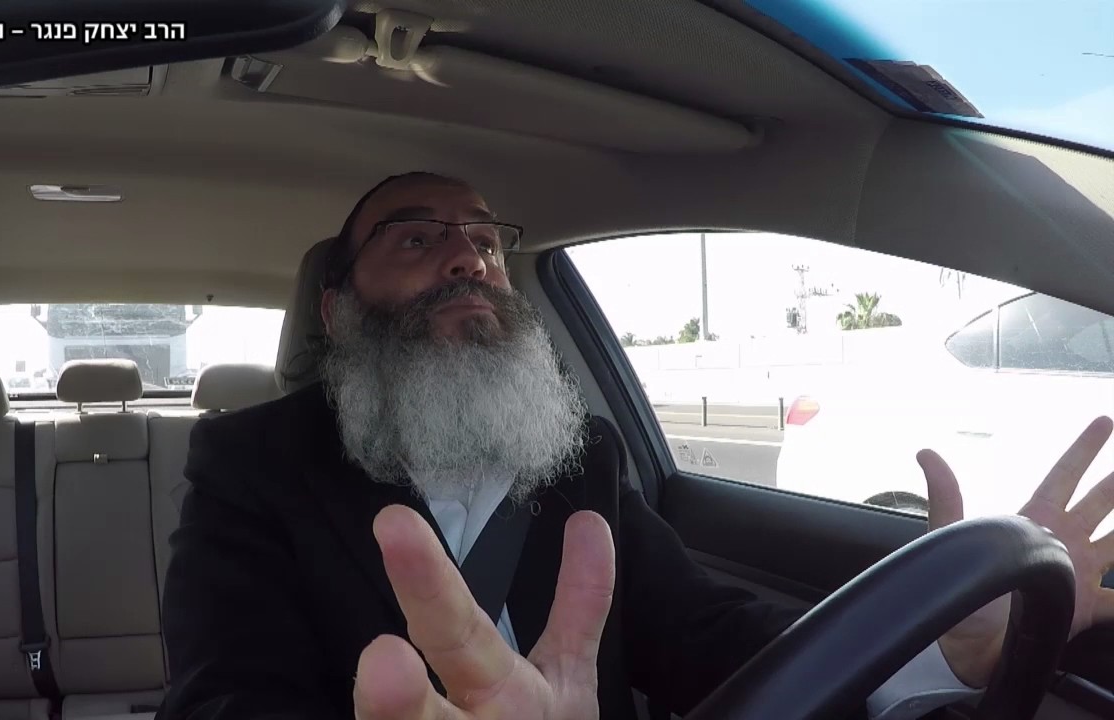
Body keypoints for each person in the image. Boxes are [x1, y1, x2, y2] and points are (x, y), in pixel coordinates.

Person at [156, 172, 1114, 720]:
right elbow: (225, 702)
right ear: (337, 311)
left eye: (486, 244)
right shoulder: (251, 464)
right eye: (416, 240)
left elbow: (710, 637)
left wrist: (933, 650)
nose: (468, 259)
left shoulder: (580, 458)